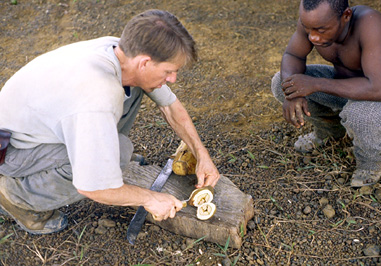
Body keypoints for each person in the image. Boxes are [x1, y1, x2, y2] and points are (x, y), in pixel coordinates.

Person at [0, 9, 220, 235]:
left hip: (40, 123)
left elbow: (170, 106)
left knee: (137, 90)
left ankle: (99, 157)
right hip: (12, 149)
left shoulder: (122, 53)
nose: (173, 79)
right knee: (119, 153)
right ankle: (16, 195)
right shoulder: (97, 96)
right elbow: (93, 187)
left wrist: (202, 155)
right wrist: (151, 198)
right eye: (169, 71)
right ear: (145, 62)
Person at [270, 0, 381, 187]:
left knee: (360, 114)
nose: (313, 37)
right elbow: (293, 55)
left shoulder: (370, 24)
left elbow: (378, 89)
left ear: (345, 16)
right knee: (282, 83)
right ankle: (329, 131)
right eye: (308, 29)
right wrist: (293, 93)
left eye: (321, 30)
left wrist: (315, 84)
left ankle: (372, 161)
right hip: (343, 86)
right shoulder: (312, 22)